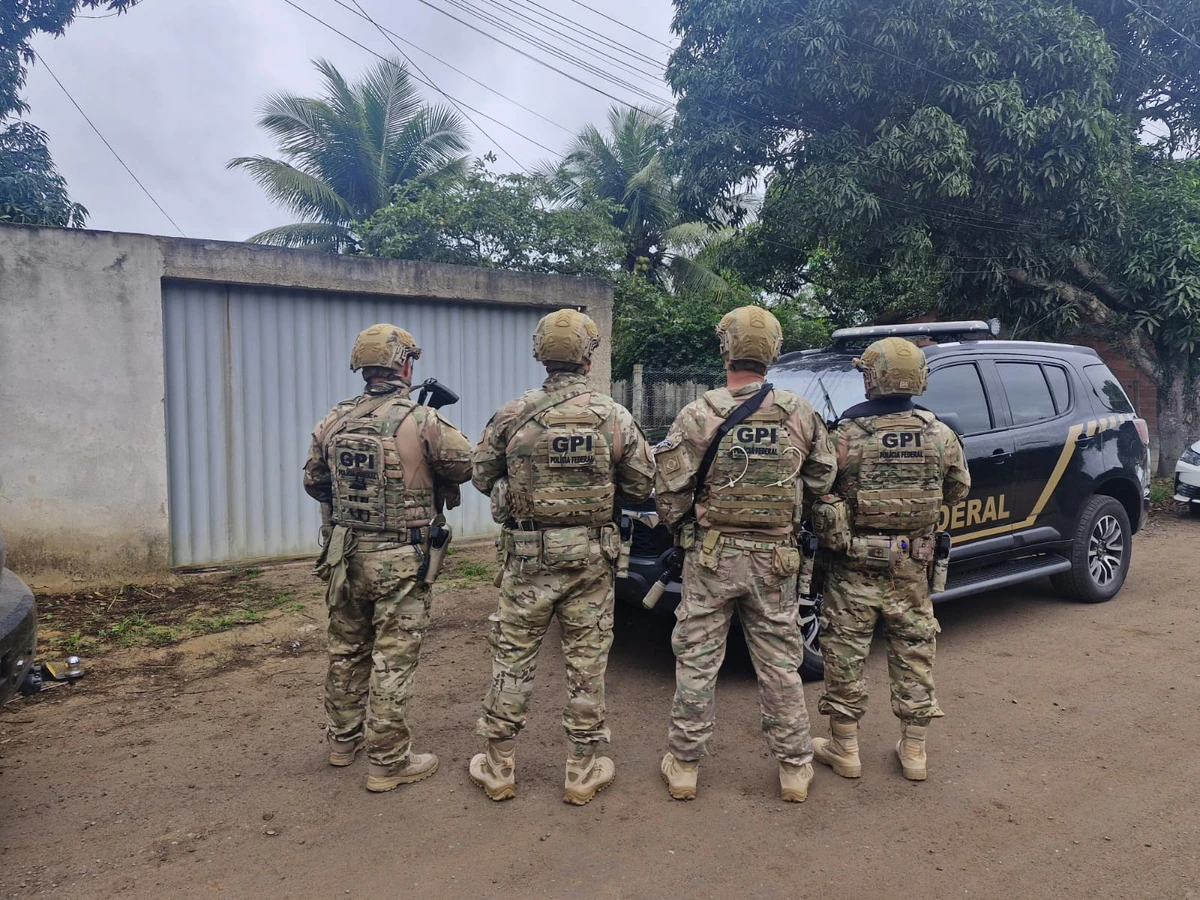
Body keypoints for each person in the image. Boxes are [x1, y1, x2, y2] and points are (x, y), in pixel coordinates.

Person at [469, 308, 655, 805]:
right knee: (587, 664)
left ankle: (498, 765)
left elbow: (482, 476)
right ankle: (582, 768)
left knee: (512, 659)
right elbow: (640, 487)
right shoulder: (614, 416)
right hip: (591, 561)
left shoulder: (512, 414)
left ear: (541, 354)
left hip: (527, 560)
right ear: (589, 355)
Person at [654, 306, 836, 802]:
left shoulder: (698, 412)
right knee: (781, 662)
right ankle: (795, 767)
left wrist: (685, 529)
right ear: (773, 353)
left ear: (725, 349)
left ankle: (685, 766)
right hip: (776, 557)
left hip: (711, 556)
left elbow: (669, 489)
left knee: (697, 660)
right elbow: (822, 479)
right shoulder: (800, 413)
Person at [303, 324, 472, 793]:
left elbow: (314, 481)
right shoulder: (420, 419)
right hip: (401, 556)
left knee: (346, 649)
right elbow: (467, 465)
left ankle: (342, 742)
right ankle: (388, 761)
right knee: (392, 658)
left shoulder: (334, 419)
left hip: (347, 553)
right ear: (405, 365)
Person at [811, 337, 970, 781]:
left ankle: (845, 749)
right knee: (914, 651)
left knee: (844, 652)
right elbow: (958, 489)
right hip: (911, 566)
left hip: (852, 565)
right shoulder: (939, 433)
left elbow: (817, 487)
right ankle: (914, 752)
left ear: (871, 379)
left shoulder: (845, 435)